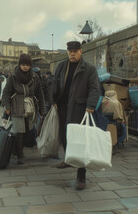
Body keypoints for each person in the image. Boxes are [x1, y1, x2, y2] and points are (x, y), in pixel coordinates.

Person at [53, 41, 100, 190]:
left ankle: (81, 175)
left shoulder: (89, 69)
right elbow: (54, 84)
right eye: (70, 51)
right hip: (62, 107)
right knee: (65, 137)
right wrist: (52, 99)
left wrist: (91, 105)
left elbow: (94, 88)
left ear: (81, 51)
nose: (72, 53)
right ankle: (69, 158)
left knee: (79, 142)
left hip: (79, 109)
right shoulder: (61, 66)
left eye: (75, 51)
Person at [2, 54, 46, 164]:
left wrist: (42, 109)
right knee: (19, 130)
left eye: (27, 64)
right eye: (23, 64)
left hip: (30, 107)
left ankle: (17, 150)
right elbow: (6, 93)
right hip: (16, 106)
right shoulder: (13, 77)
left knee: (27, 129)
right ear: (19, 64)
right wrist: (7, 107)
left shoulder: (34, 77)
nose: (25, 67)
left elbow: (40, 93)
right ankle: (20, 155)